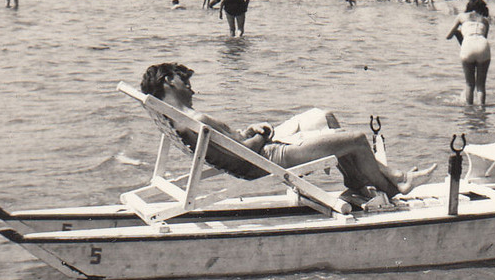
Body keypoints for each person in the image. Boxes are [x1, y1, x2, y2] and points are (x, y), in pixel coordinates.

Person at [138, 63, 433, 204]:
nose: (191, 87)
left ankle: (365, 180)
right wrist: (262, 136)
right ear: (168, 82)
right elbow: (247, 152)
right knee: (356, 140)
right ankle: (394, 186)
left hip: (257, 151)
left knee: (325, 116)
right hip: (269, 156)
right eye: (184, 81)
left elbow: (231, 146)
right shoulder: (195, 119)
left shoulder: (179, 120)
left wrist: (248, 132)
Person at [447, 0, 492, 106]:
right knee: (481, 85)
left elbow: (448, 36)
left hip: (467, 46)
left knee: (469, 84)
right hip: (482, 45)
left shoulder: (461, 17)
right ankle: (481, 110)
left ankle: (469, 112)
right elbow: (484, 37)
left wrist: (458, 33)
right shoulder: (485, 21)